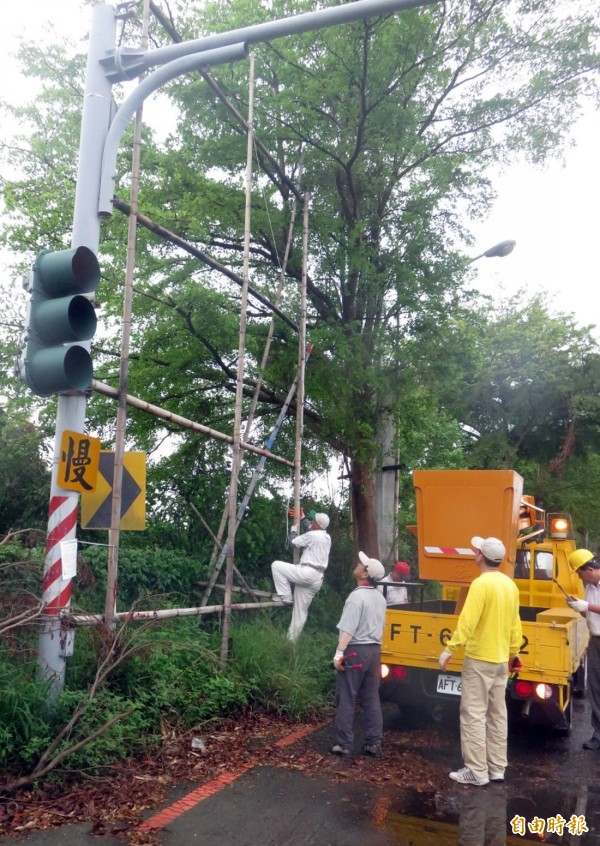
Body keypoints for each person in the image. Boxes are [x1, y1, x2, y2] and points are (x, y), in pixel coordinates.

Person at [438, 536, 523, 786]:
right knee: (498, 714)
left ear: (479, 556)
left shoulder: (480, 584)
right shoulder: (510, 585)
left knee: (474, 714)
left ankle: (476, 771)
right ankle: (497, 768)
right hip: (500, 661)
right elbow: (515, 625)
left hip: (479, 659)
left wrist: (450, 648)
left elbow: (468, 619)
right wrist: (514, 653)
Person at [330, 551, 387, 759]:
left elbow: (348, 629)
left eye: (361, 565)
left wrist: (338, 653)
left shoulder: (356, 597)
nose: (357, 565)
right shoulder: (380, 598)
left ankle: (343, 743)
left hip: (356, 650)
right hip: (374, 651)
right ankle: (374, 742)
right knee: (371, 696)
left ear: (365, 574)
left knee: (346, 694)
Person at [271, 509, 331, 642]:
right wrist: (303, 517)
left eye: (314, 520)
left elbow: (293, 542)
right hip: (317, 578)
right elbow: (310, 529)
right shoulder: (326, 537)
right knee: (300, 612)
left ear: (318, 524)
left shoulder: (313, 536)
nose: (312, 521)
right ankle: (291, 642)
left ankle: (286, 596)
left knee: (276, 566)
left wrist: (293, 530)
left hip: (307, 572)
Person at [567, 549, 600, 750]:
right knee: (595, 690)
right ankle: (598, 734)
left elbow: (591, 607)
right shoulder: (589, 586)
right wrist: (578, 608)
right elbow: (591, 616)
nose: (579, 577)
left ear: (589, 569)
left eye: (579, 573)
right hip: (596, 642)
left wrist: (585, 605)